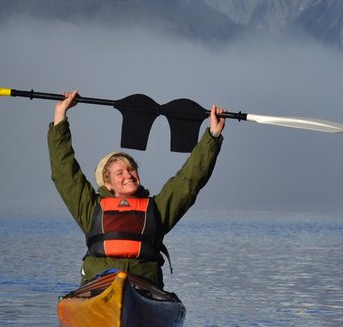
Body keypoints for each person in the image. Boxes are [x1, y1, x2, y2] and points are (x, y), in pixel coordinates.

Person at [48, 90, 225, 288]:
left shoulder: (156, 209)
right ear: (107, 184)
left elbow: (189, 180)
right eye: (119, 173)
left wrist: (212, 135)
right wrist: (60, 115)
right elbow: (65, 174)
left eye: (131, 169)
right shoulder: (91, 210)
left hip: (144, 286)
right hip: (99, 285)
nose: (128, 175)